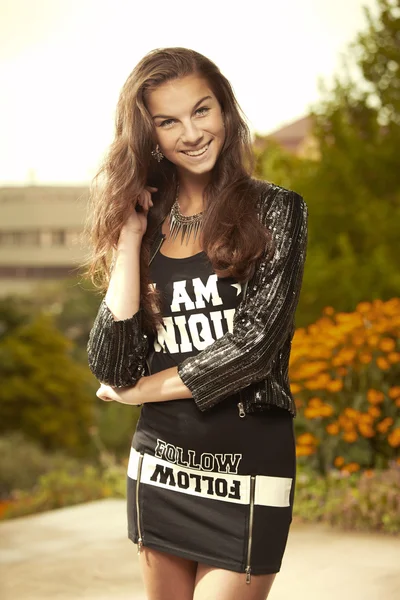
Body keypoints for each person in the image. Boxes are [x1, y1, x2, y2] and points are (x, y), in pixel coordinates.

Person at [85, 47, 308, 600]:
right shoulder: (148, 223)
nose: (191, 132)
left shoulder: (278, 210)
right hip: (161, 465)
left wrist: (141, 392)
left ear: (225, 112)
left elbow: (253, 349)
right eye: (168, 120)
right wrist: (130, 239)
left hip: (248, 466)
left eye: (201, 111)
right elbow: (110, 363)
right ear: (149, 135)